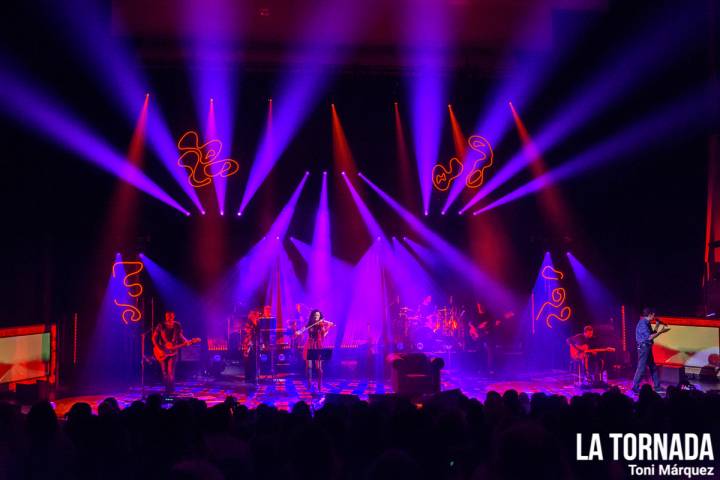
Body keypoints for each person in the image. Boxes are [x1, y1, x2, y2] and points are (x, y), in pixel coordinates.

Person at [631, 307, 669, 393]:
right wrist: (661, 331)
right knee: (641, 368)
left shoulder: (646, 322)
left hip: (647, 347)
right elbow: (649, 337)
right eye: (653, 315)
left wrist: (657, 325)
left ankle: (657, 387)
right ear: (650, 314)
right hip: (644, 348)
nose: (654, 316)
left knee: (653, 367)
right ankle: (635, 387)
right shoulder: (643, 324)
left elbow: (651, 334)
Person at [152, 311, 189, 394]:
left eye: (170, 316)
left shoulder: (177, 325)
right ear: (165, 317)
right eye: (167, 316)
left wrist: (186, 341)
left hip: (173, 351)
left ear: (174, 316)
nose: (169, 318)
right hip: (162, 351)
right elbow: (154, 338)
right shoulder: (161, 325)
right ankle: (167, 389)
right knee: (164, 371)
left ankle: (171, 390)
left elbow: (180, 335)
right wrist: (159, 348)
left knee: (170, 371)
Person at [297, 310, 333, 392]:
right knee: (309, 367)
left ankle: (320, 385)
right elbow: (302, 330)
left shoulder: (321, 325)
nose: (317, 316)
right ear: (312, 316)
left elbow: (323, 335)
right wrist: (298, 332)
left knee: (319, 368)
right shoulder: (309, 324)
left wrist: (329, 327)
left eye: (318, 315)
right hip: (309, 346)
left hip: (318, 346)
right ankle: (309, 384)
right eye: (315, 315)